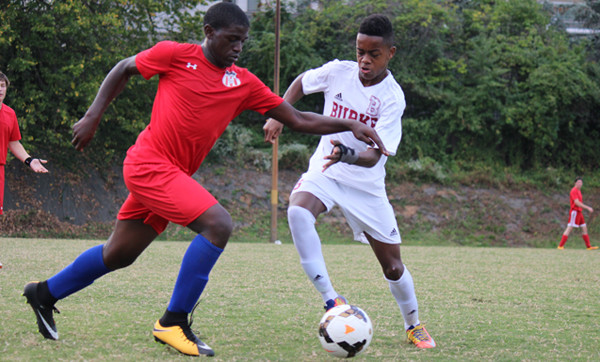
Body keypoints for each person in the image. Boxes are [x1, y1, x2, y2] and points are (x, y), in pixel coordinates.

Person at [21, 2, 387, 357]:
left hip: (171, 175)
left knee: (119, 254)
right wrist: (92, 116)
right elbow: (123, 68)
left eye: (243, 40)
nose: (238, 47)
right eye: (231, 39)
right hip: (149, 164)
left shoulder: (242, 82)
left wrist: (351, 124)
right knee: (218, 224)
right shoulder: (175, 55)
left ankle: (44, 293)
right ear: (209, 33)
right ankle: (174, 322)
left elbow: (298, 119)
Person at [263, 14, 435, 349]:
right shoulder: (339, 71)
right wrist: (279, 112)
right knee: (298, 212)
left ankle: (413, 325)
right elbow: (302, 81)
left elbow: (374, 156)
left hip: (366, 186)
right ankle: (332, 301)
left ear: (391, 53)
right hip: (325, 172)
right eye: (360, 51)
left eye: (374, 53)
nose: (365, 60)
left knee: (393, 267)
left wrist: (348, 154)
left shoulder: (392, 98)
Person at [1, 71, 49, 269]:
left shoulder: (9, 113)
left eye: (2, 85)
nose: (0, 89)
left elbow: (14, 143)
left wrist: (30, 161)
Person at [558, 177, 598, 250]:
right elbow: (576, 202)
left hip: (579, 212)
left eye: (581, 182)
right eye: (578, 182)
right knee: (569, 228)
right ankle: (560, 246)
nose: (579, 184)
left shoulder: (579, 191)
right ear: (575, 183)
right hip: (575, 212)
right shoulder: (573, 191)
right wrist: (587, 207)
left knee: (584, 228)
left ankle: (588, 247)